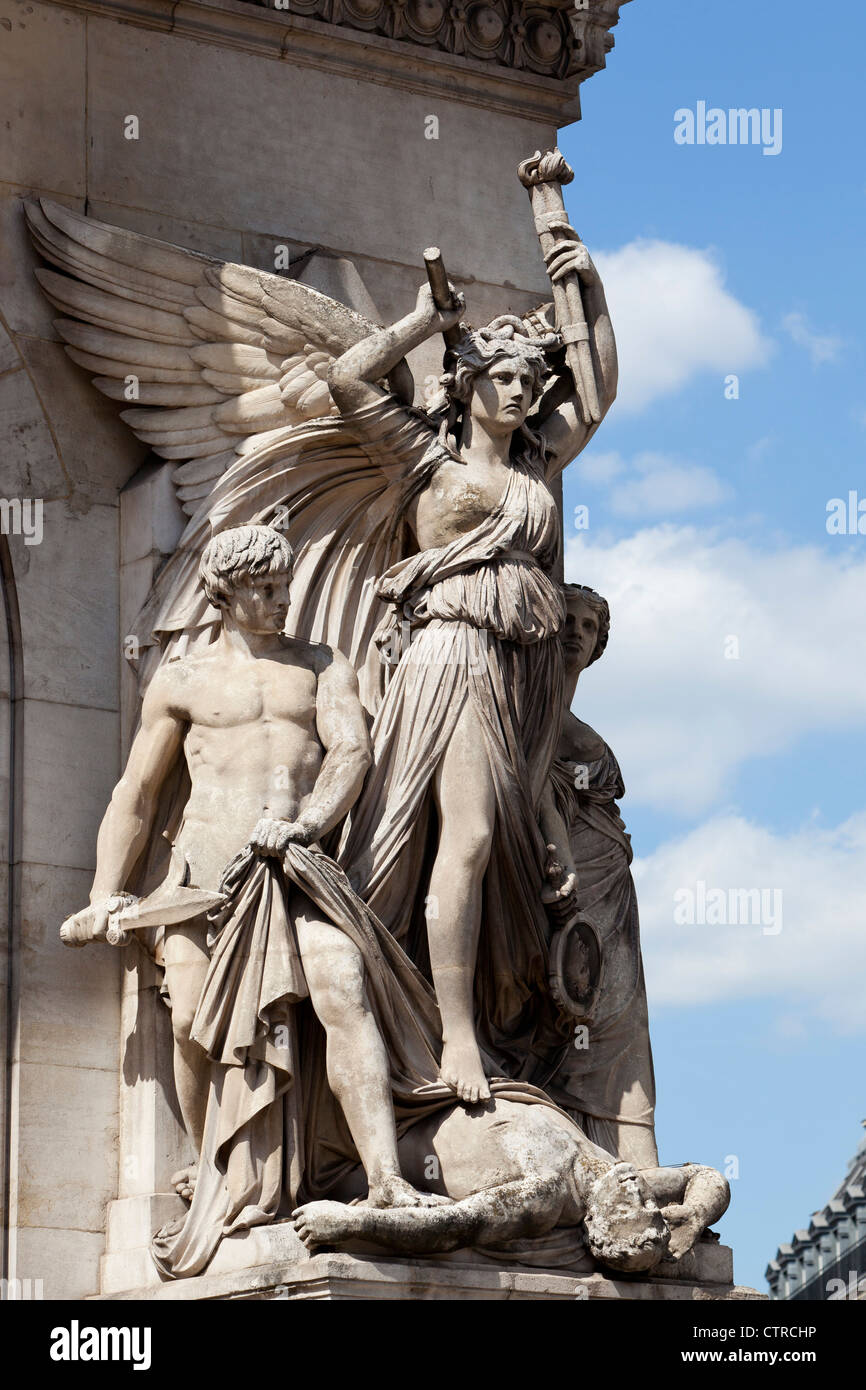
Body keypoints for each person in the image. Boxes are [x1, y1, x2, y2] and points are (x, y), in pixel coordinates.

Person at [60, 524, 443, 1219]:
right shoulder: (182, 681)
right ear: (226, 595)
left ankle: (386, 1177)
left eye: (284, 586)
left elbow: (350, 753)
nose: (281, 600)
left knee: (343, 987)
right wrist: (104, 892)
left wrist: (308, 823)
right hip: (201, 876)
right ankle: (218, 1170)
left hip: (296, 869)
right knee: (188, 1026)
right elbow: (137, 795)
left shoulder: (323, 665)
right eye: (264, 589)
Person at [328, 228, 618, 1105]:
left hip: (521, 676)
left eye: (533, 379)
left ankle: (481, 1028)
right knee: (473, 837)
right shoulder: (428, 457)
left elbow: (597, 396)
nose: (524, 389)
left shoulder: (536, 462)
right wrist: (421, 319)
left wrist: (589, 291)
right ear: (470, 383)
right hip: (450, 655)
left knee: (506, 855)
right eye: (506, 376)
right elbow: (347, 382)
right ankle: (452, 1037)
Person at [292, 1091, 729, 1271]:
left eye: (634, 1210)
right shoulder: (613, 1175)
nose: (643, 1195)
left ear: (600, 1222)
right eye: (651, 1208)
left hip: (382, 1125)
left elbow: (453, 1227)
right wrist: (692, 1215)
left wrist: (352, 1225)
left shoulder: (544, 1195)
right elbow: (706, 1176)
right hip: (455, 1085)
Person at [541, 583, 659, 1167]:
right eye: (565, 619)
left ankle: (633, 1160)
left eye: (588, 626)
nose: (575, 633)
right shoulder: (526, 705)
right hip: (565, 881)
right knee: (568, 1011)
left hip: (611, 884)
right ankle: (583, 1163)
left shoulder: (567, 716)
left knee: (621, 1017)